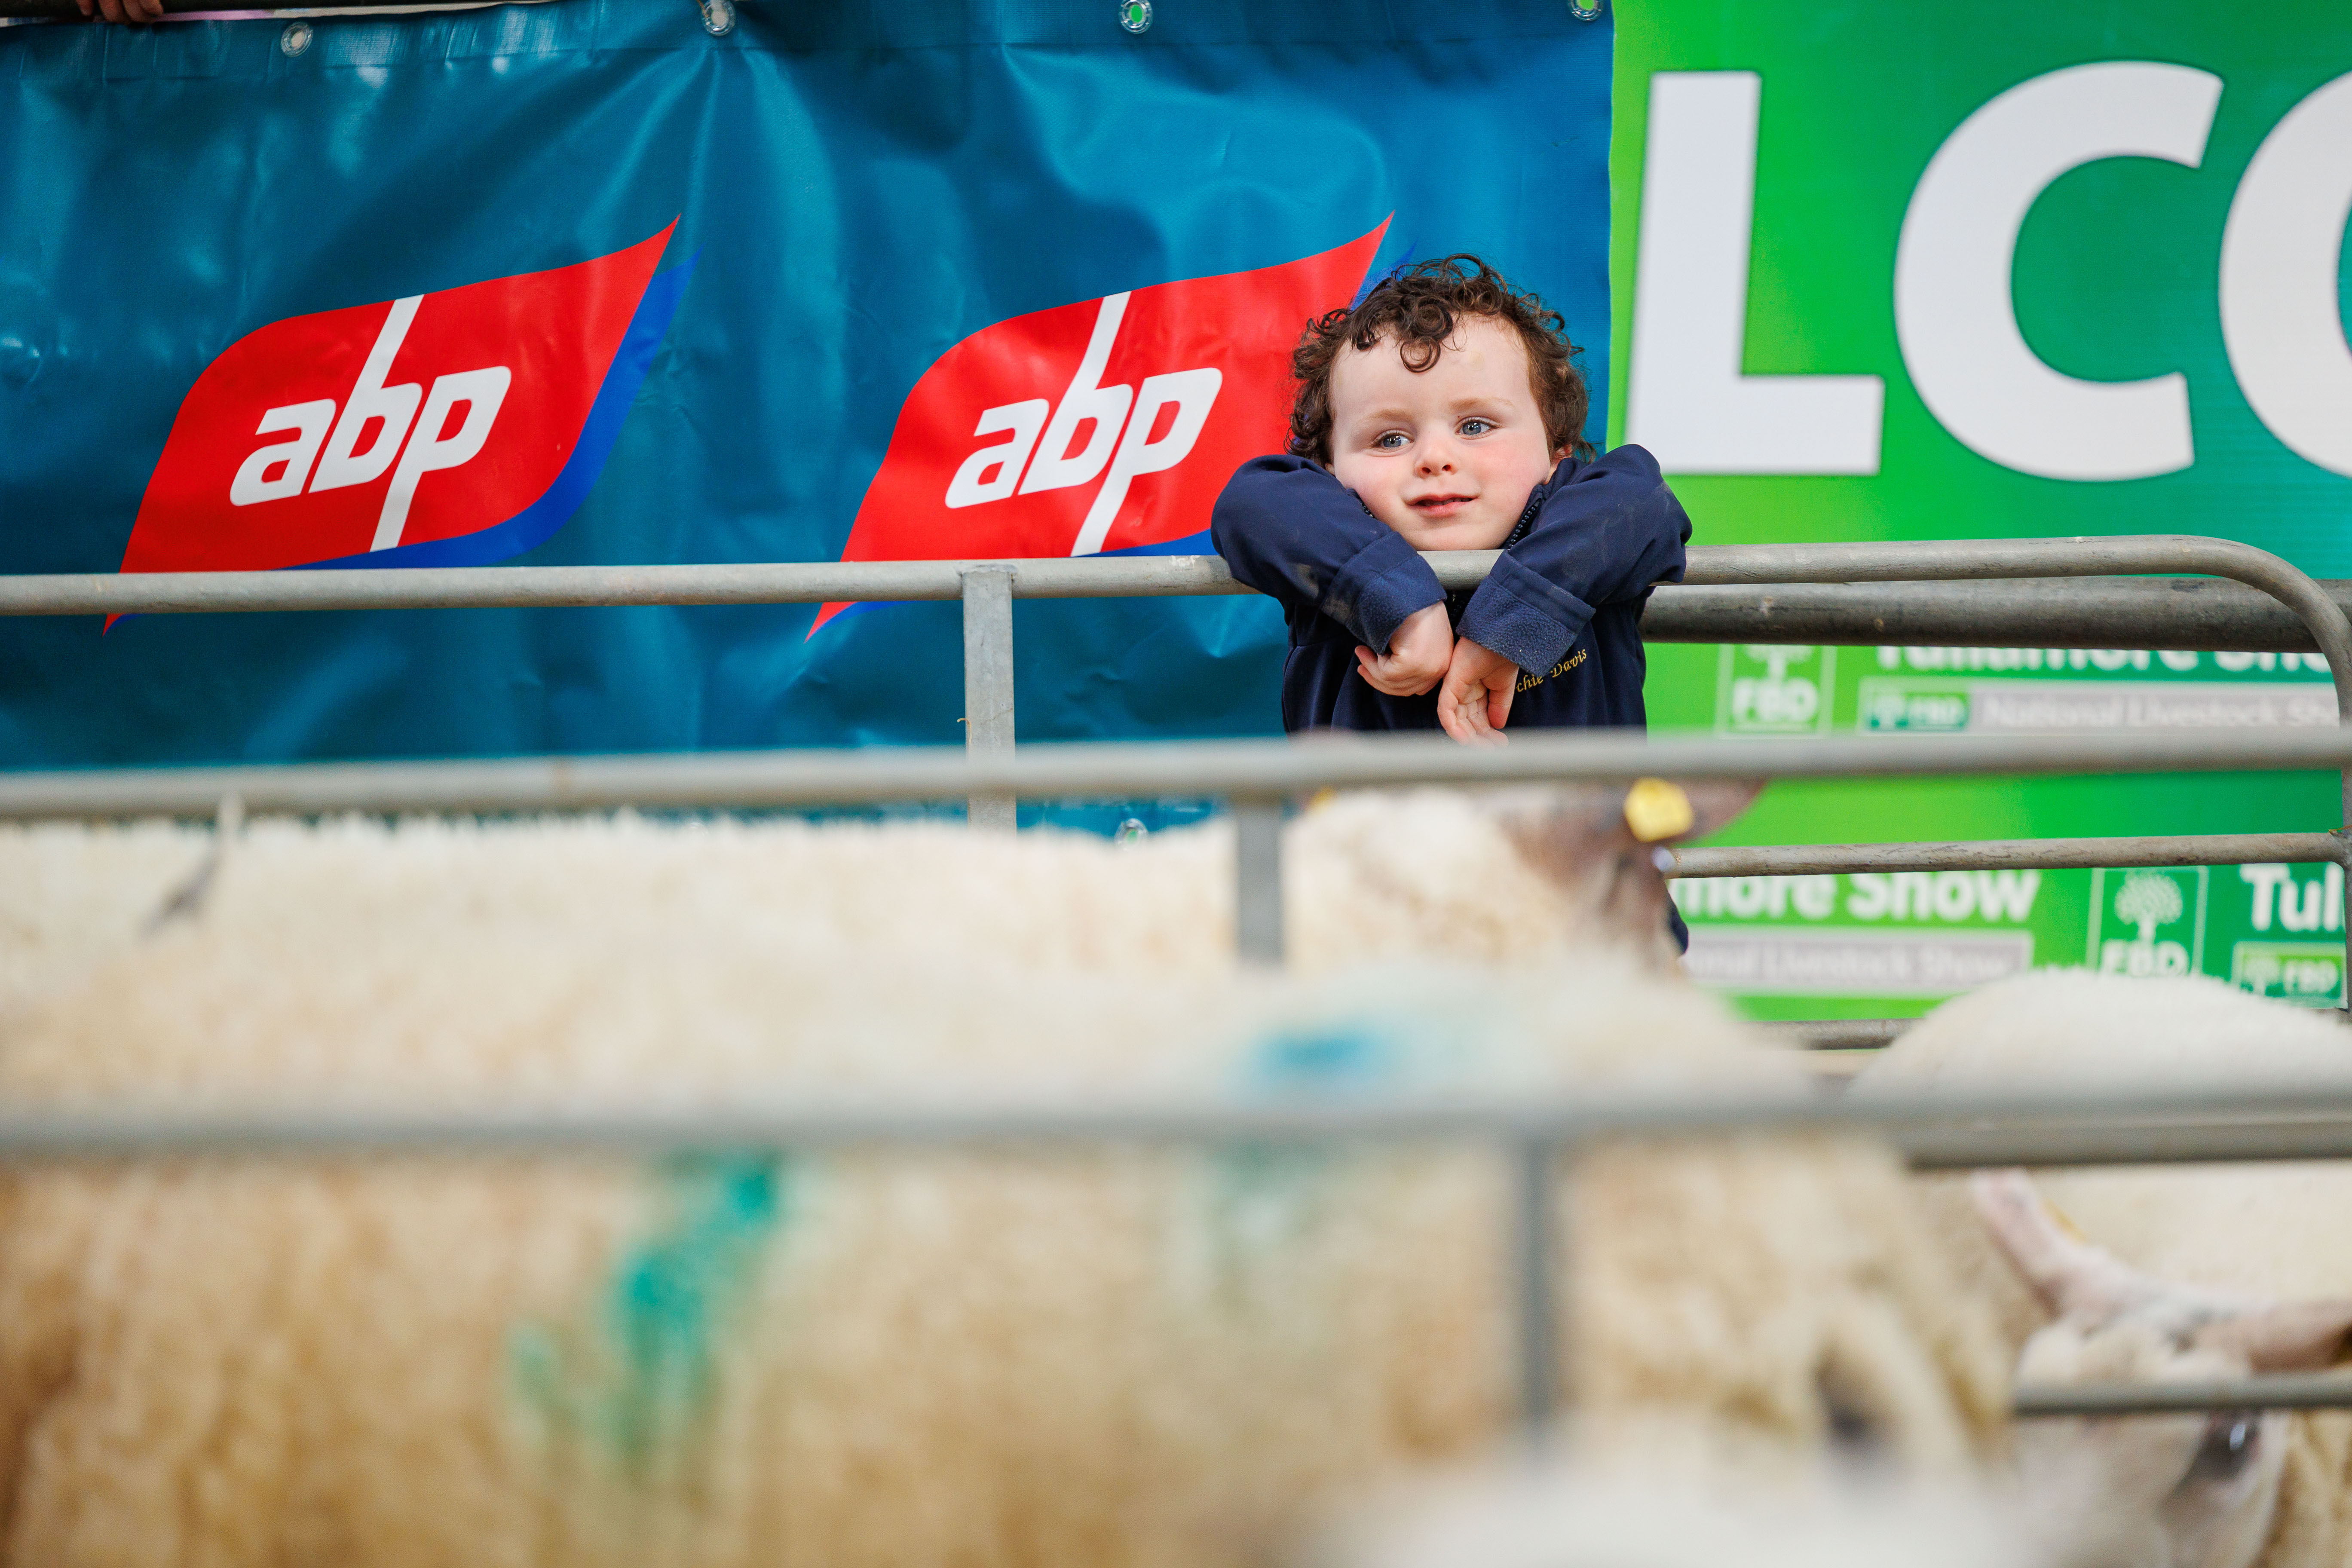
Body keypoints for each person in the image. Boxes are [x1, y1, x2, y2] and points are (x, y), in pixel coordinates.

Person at [1210, 254, 1690, 748]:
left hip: (1576, 805)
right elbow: (1250, 504)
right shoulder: (1327, 552)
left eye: (1475, 427)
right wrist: (1401, 608)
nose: (1435, 458)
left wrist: (1514, 625)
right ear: (1330, 470)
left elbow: (1644, 499)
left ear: (1556, 450)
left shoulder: (1588, 524)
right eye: (1390, 439)